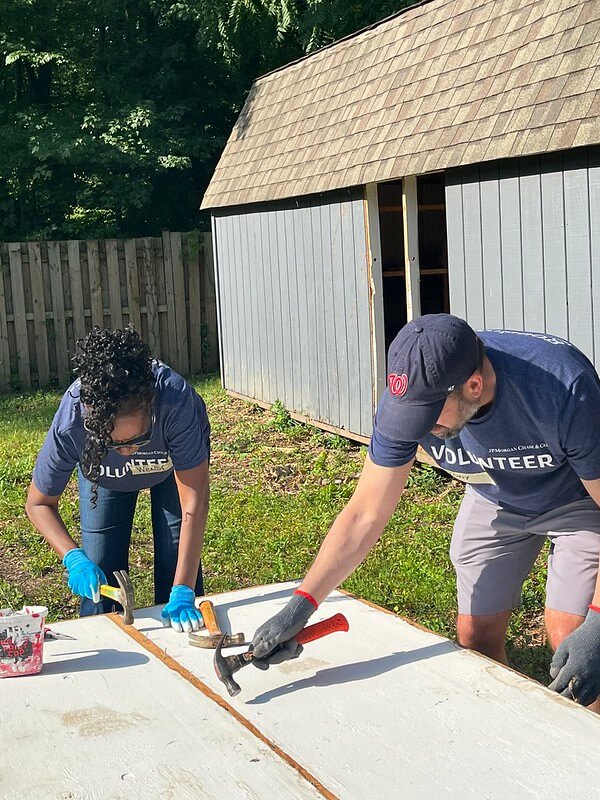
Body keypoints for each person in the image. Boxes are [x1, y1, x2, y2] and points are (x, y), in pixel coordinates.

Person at [250, 314, 600, 709]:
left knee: (573, 639)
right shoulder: (410, 399)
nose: (419, 427)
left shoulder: (562, 387)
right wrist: (302, 604)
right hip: (495, 493)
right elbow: (365, 511)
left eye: (430, 414)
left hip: (576, 496)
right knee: (475, 636)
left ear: (473, 385)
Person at [26, 327, 210, 633]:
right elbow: (38, 503)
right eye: (111, 443)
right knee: (99, 567)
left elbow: (194, 502)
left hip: (171, 471)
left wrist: (184, 590)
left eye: (138, 439)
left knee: (177, 557)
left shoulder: (176, 402)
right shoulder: (73, 419)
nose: (126, 452)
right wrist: (73, 558)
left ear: (152, 405)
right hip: (106, 478)